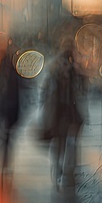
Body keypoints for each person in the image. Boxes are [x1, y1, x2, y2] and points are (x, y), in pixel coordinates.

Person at [41, 40, 86, 189]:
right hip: (63, 112)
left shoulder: (65, 72)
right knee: (66, 142)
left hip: (63, 112)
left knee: (64, 143)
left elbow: (46, 92)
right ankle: (65, 169)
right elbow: (79, 92)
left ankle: (64, 169)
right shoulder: (62, 72)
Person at [0, 37, 23, 175]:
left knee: (4, 137)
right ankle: (6, 162)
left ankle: (4, 162)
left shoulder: (0, 72)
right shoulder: (12, 72)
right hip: (10, 109)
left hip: (5, 109)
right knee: (7, 138)